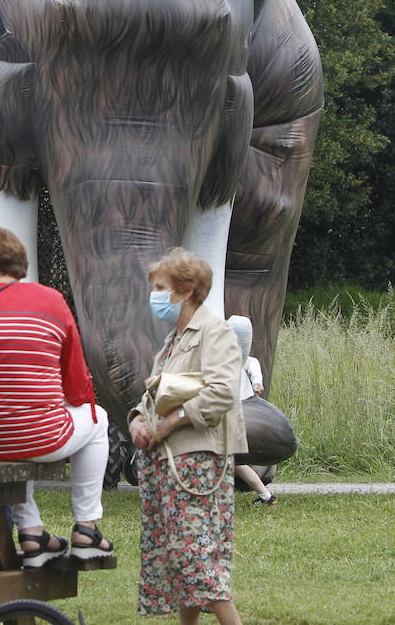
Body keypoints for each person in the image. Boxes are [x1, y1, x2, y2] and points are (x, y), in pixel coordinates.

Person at [0, 227, 113, 566]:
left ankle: (31, 532)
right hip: (38, 437)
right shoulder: (50, 300)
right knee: (98, 419)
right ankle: (86, 527)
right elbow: (76, 382)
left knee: (8, 436)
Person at [128, 248, 245, 625]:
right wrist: (136, 421)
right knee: (180, 559)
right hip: (169, 461)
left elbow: (223, 391)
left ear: (187, 288)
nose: (155, 295)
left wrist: (175, 421)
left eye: (161, 287)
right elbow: (154, 397)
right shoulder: (172, 341)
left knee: (195, 559)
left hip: (198, 461)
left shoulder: (214, 330)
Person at [226, 315, 275, 507]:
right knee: (233, 462)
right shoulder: (225, 361)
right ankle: (265, 496)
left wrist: (257, 382)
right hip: (231, 413)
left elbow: (253, 366)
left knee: (232, 461)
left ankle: (265, 495)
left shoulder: (242, 362)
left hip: (235, 414)